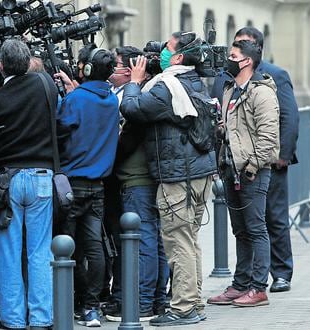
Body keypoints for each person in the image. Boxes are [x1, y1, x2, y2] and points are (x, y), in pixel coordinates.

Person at [121, 32, 217, 326]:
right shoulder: (191, 81)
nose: (161, 51)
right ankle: (193, 301)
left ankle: (184, 307)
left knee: (178, 241)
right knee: (189, 240)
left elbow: (133, 109)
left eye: (167, 47)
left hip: (179, 178)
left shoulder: (167, 86)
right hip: (197, 173)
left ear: (177, 58)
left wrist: (135, 83)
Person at [211, 26, 299, 293]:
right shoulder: (224, 79)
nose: (233, 53)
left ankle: (279, 273)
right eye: (235, 44)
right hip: (234, 164)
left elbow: (286, 118)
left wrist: (281, 156)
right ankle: (245, 280)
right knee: (244, 227)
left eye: (242, 46)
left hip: (264, 162)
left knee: (273, 218)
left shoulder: (273, 77)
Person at [0, 39, 58, 330]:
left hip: (7, 180)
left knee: (9, 252)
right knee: (40, 252)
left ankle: (12, 318)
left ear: (0, 67)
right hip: (40, 177)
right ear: (28, 63)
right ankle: (41, 318)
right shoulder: (44, 86)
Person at [207, 39, 279, 307]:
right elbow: (235, 129)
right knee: (241, 231)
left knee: (256, 228)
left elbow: (268, 136)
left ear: (246, 61)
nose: (228, 59)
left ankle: (259, 288)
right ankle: (241, 284)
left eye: (233, 55)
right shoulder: (229, 89)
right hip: (230, 169)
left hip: (252, 172)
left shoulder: (262, 93)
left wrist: (251, 166)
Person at [105, 45, 170, 323]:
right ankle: (156, 299)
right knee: (154, 241)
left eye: (117, 66)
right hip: (146, 178)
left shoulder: (140, 97)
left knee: (144, 242)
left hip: (137, 179)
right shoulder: (153, 92)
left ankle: (143, 303)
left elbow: (128, 136)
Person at [57, 44, 119, 327]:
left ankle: (72, 300)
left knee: (65, 247)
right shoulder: (110, 99)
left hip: (72, 183)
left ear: (87, 69)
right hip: (98, 185)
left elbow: (62, 128)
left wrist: (69, 95)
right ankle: (92, 306)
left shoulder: (77, 99)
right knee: (94, 247)